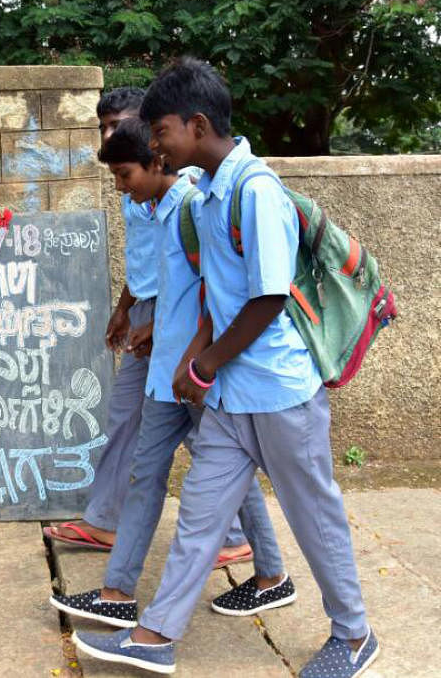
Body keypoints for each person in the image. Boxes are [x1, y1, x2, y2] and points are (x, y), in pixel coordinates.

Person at [74, 59, 377, 678]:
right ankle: (156, 634)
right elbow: (219, 294)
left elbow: (268, 296)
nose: (154, 145)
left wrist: (204, 364)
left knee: (313, 515)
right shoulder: (209, 196)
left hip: (280, 393)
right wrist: (197, 361)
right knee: (200, 516)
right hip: (231, 397)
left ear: (198, 124)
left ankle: (352, 636)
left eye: (159, 132)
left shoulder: (254, 190)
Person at [53, 118, 289, 635]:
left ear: (157, 162)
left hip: (194, 375)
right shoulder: (159, 209)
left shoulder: (191, 208)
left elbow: (218, 289)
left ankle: (271, 574)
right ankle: (117, 592)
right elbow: (164, 284)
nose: (121, 187)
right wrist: (149, 325)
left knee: (227, 470)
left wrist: (186, 350)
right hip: (165, 374)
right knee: (146, 474)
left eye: (125, 175)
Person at [45, 87, 260, 564]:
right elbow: (147, 262)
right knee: (140, 429)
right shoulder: (141, 194)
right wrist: (127, 308)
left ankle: (241, 545)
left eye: (120, 126)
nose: (111, 135)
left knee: (212, 437)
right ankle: (112, 540)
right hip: (154, 321)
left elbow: (207, 281)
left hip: (181, 330)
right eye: (104, 126)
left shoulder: (186, 199)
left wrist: (173, 335)